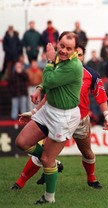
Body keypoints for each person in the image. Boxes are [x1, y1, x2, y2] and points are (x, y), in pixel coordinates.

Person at [11, 44, 108, 190]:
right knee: (44, 150)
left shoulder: (92, 74)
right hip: (57, 117)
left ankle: (91, 178)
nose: (77, 57)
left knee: (87, 152)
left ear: (84, 57)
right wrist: (34, 112)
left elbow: (101, 96)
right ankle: (20, 182)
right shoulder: (60, 71)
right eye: (75, 53)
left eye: (80, 54)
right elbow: (49, 94)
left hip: (80, 120)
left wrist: (107, 116)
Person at [15, 31, 83, 204]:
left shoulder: (74, 66)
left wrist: (51, 60)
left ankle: (49, 198)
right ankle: (53, 161)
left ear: (75, 50)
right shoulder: (59, 60)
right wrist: (39, 88)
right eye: (62, 46)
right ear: (57, 43)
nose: (64, 51)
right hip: (48, 109)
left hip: (64, 116)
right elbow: (48, 81)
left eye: (69, 48)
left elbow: (51, 79)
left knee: (46, 160)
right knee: (21, 142)